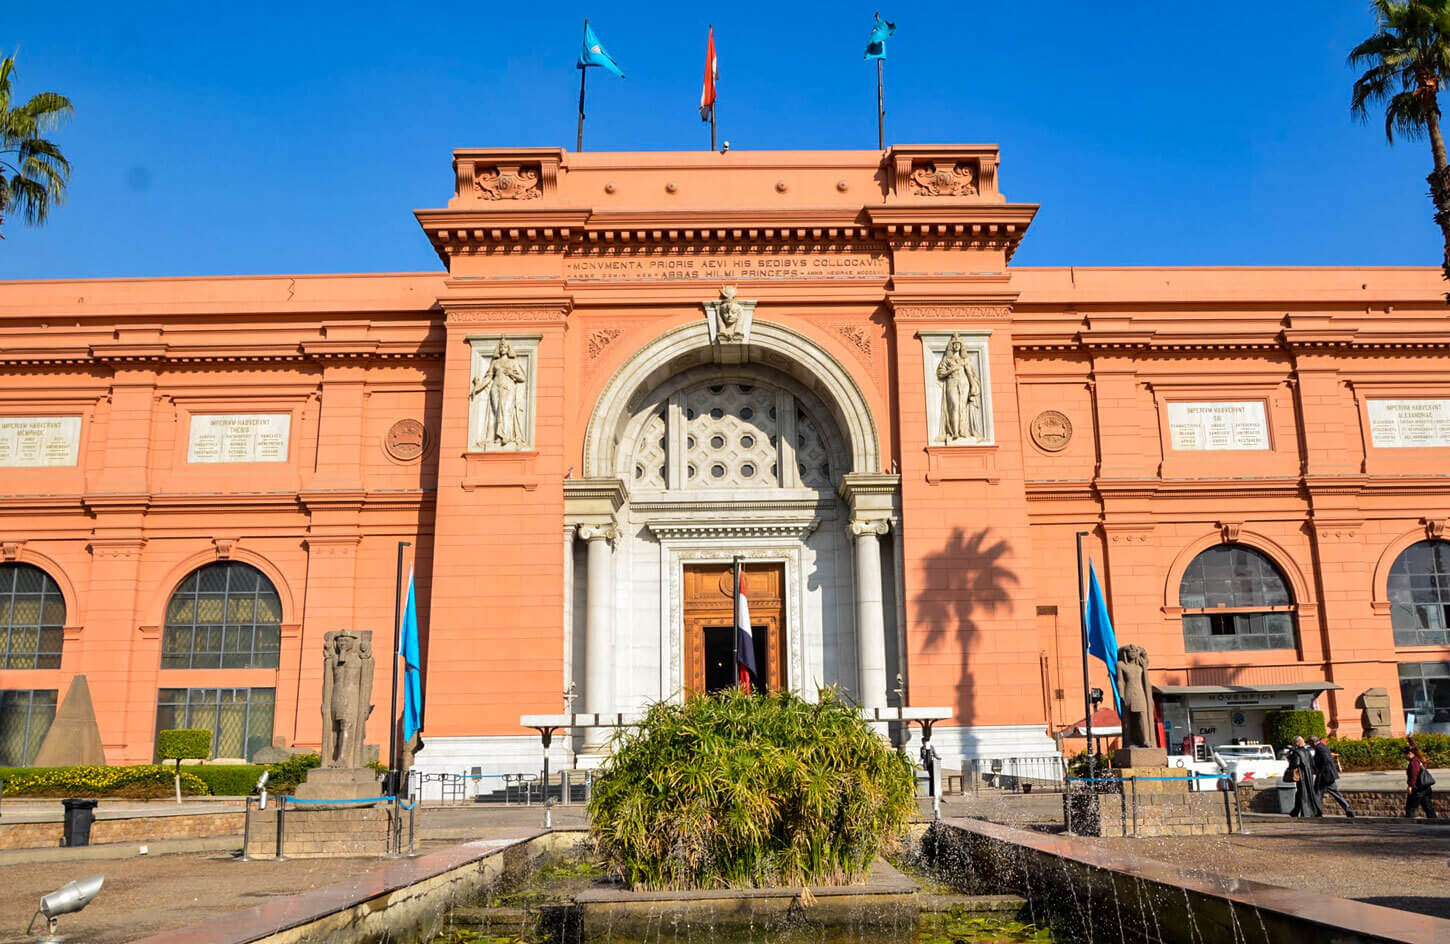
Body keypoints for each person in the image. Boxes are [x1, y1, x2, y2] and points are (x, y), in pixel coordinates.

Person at [1307, 735, 1355, 818]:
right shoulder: (1323, 746)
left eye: (1310, 742)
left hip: (1325, 776)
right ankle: (1347, 808)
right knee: (1331, 793)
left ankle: (1318, 812)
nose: (1309, 744)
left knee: (1318, 793)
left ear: (1313, 741)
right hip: (1328, 775)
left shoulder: (1319, 748)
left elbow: (1326, 760)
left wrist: (1321, 771)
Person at [1285, 736, 1322, 817]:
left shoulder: (1296, 752)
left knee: (1302, 793)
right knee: (1306, 792)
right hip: (1309, 774)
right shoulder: (1307, 751)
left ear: (1296, 743)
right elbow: (1312, 763)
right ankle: (1296, 811)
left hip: (1301, 775)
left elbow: (1296, 763)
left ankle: (1305, 812)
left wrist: (1290, 758)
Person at [1404, 744, 1437, 819]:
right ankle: (1434, 822)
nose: (1405, 756)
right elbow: (1416, 747)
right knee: (1428, 807)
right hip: (1426, 788)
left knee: (1410, 808)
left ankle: (1408, 825)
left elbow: (1414, 775)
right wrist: (1410, 738)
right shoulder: (1419, 759)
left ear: (1410, 754)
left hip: (1418, 789)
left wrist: (1410, 786)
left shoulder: (1413, 763)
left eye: (1405, 754)